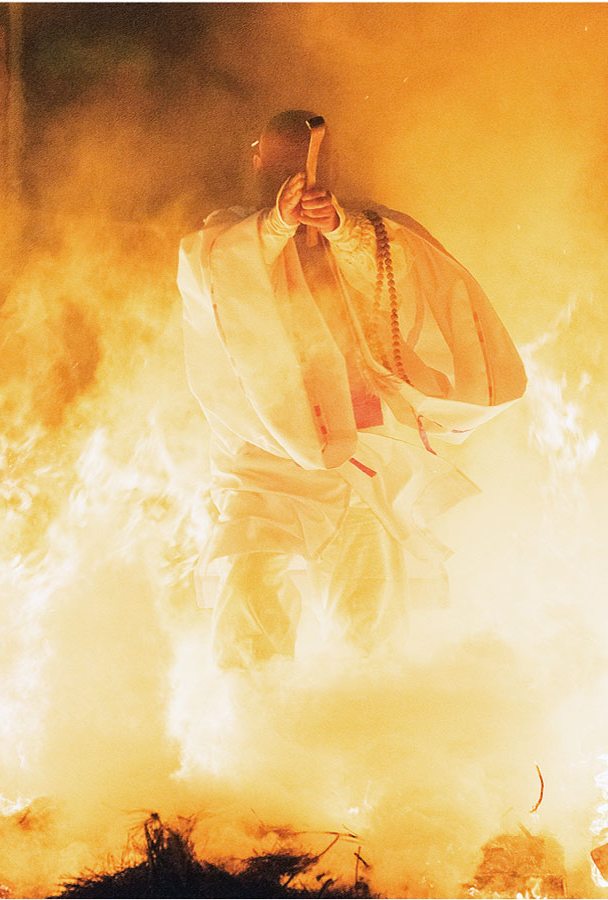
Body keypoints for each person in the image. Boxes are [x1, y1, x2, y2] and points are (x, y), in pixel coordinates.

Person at [177, 109, 528, 669]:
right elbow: (213, 274)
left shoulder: (374, 226)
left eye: (311, 160)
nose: (299, 172)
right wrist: (274, 228)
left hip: (359, 456)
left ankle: (363, 727)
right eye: (285, 160)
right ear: (259, 161)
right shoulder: (228, 233)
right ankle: (248, 725)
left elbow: (418, 275)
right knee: (249, 591)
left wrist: (342, 230)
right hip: (268, 461)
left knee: (369, 625)